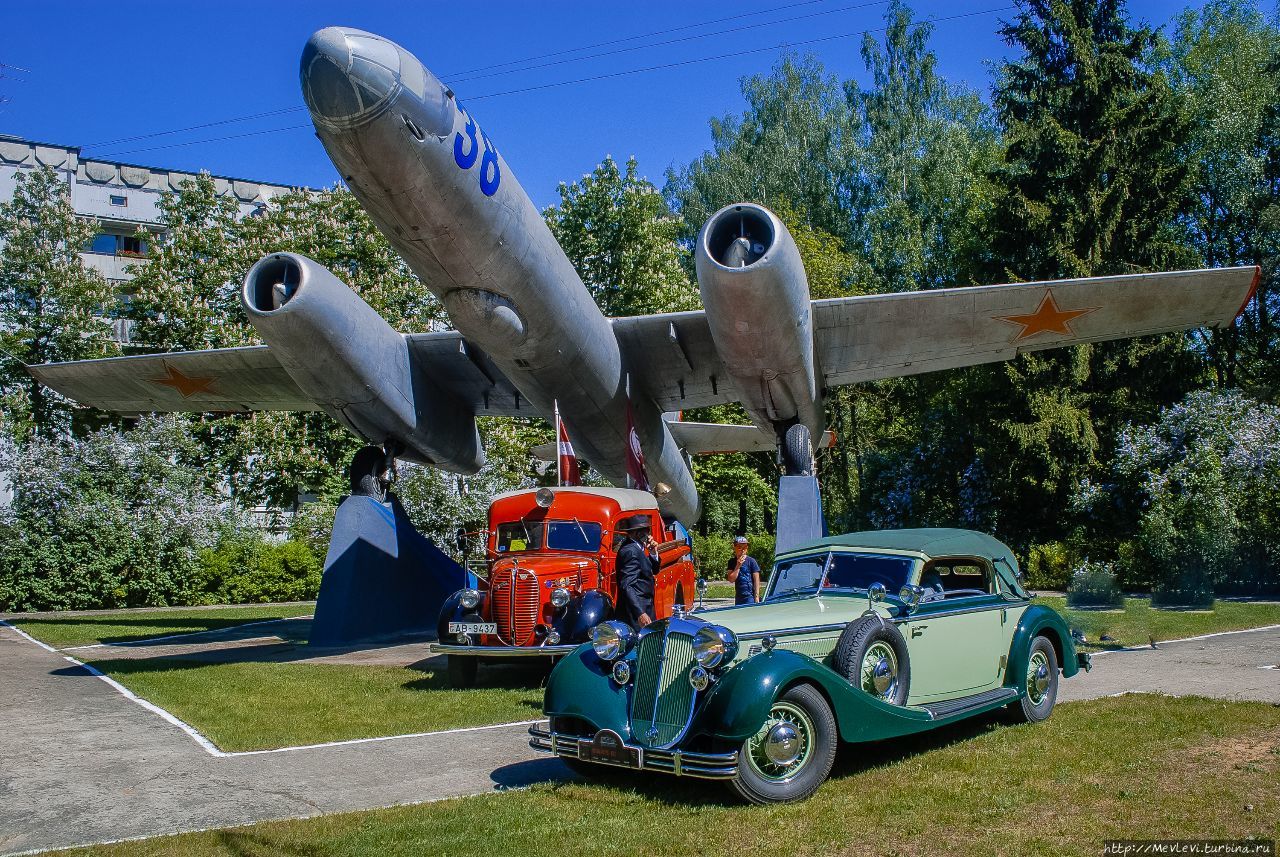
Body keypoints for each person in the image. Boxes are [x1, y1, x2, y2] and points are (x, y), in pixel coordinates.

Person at [615, 514, 659, 629]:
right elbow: (627, 585)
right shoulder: (630, 551)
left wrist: (653, 553)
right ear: (637, 533)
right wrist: (640, 613)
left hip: (646, 605)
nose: (649, 534)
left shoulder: (638, 548)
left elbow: (655, 570)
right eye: (646, 531)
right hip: (636, 611)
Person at [726, 536, 762, 605]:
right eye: (740, 547)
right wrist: (738, 566)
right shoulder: (731, 562)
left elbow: (756, 579)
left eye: (745, 547)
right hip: (739, 597)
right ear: (734, 548)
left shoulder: (751, 561)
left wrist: (756, 596)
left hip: (750, 596)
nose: (742, 550)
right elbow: (731, 579)